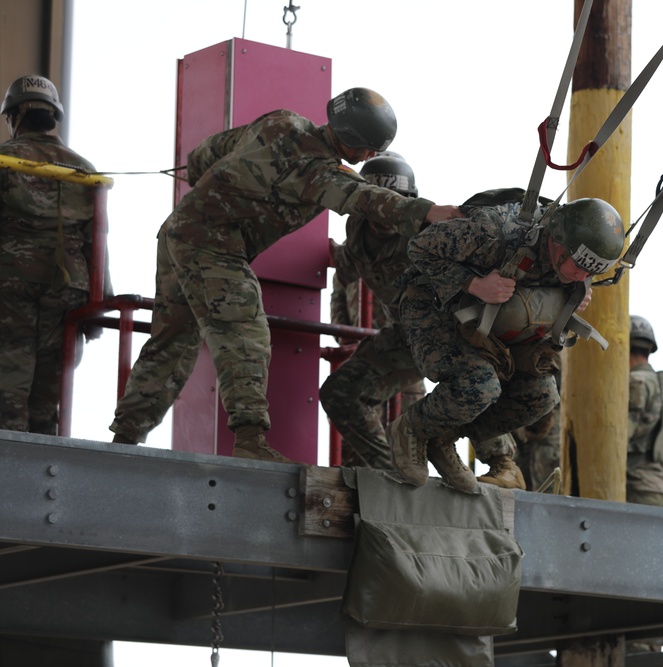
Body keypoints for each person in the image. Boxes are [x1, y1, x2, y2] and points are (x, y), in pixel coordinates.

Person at [108, 88, 462, 462]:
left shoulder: (282, 121)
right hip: (213, 244)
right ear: (356, 144)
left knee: (172, 341)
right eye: (370, 149)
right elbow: (364, 198)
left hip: (178, 231)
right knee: (246, 332)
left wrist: (210, 181)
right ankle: (249, 439)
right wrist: (426, 212)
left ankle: (126, 438)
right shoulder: (318, 173)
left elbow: (209, 152)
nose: (371, 157)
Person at [389, 195, 626, 493]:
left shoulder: (571, 266)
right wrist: (474, 284)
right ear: (558, 239)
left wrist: (575, 294)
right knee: (479, 385)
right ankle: (411, 428)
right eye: (579, 267)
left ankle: (442, 437)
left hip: (484, 323)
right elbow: (419, 248)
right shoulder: (495, 231)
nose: (582, 277)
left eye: (591, 273)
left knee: (540, 396)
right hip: (432, 306)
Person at [0, 75, 110, 434]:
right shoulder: (84, 169)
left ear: (14, 116)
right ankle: (43, 448)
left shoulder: (5, 159)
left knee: (8, 378)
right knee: (49, 385)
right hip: (67, 286)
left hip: (11, 281)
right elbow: (98, 239)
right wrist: (99, 306)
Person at [320, 153, 428, 470]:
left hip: (430, 344)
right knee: (346, 401)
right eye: (375, 202)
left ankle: (497, 457)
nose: (384, 212)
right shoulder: (357, 237)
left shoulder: (425, 235)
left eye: (392, 202)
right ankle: (385, 475)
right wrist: (344, 339)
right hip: (391, 341)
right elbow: (341, 284)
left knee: (412, 429)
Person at [626, 315, 663, 506]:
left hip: (636, 485)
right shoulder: (658, 383)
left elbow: (619, 436)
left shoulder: (637, 382)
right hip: (652, 485)